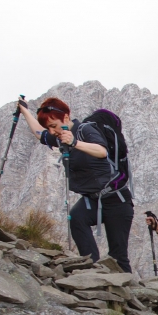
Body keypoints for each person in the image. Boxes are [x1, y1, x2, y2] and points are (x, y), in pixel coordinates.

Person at [19, 97, 133, 271]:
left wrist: (74, 143)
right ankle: (91, 269)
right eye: (49, 127)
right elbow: (39, 134)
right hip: (92, 200)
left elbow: (101, 151)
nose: (51, 131)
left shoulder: (85, 130)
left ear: (65, 117)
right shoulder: (59, 137)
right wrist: (24, 110)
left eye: (53, 125)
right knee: (77, 218)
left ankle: (127, 295)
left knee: (119, 257)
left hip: (117, 200)